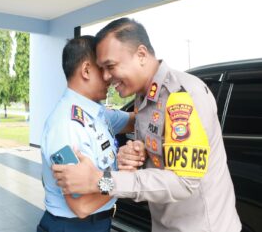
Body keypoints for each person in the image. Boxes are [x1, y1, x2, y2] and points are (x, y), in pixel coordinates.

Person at [52, 18, 242, 232]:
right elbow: (157, 163)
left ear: (141, 55)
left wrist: (100, 180)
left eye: (110, 66)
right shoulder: (144, 98)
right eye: (101, 68)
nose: (105, 76)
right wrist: (135, 158)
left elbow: (183, 182)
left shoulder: (182, 96)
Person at [37, 35, 140, 232]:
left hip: (97, 223)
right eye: (104, 68)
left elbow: (134, 121)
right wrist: (123, 176)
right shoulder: (67, 125)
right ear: (86, 70)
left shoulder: (98, 114)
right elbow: (81, 206)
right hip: (74, 226)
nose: (111, 76)